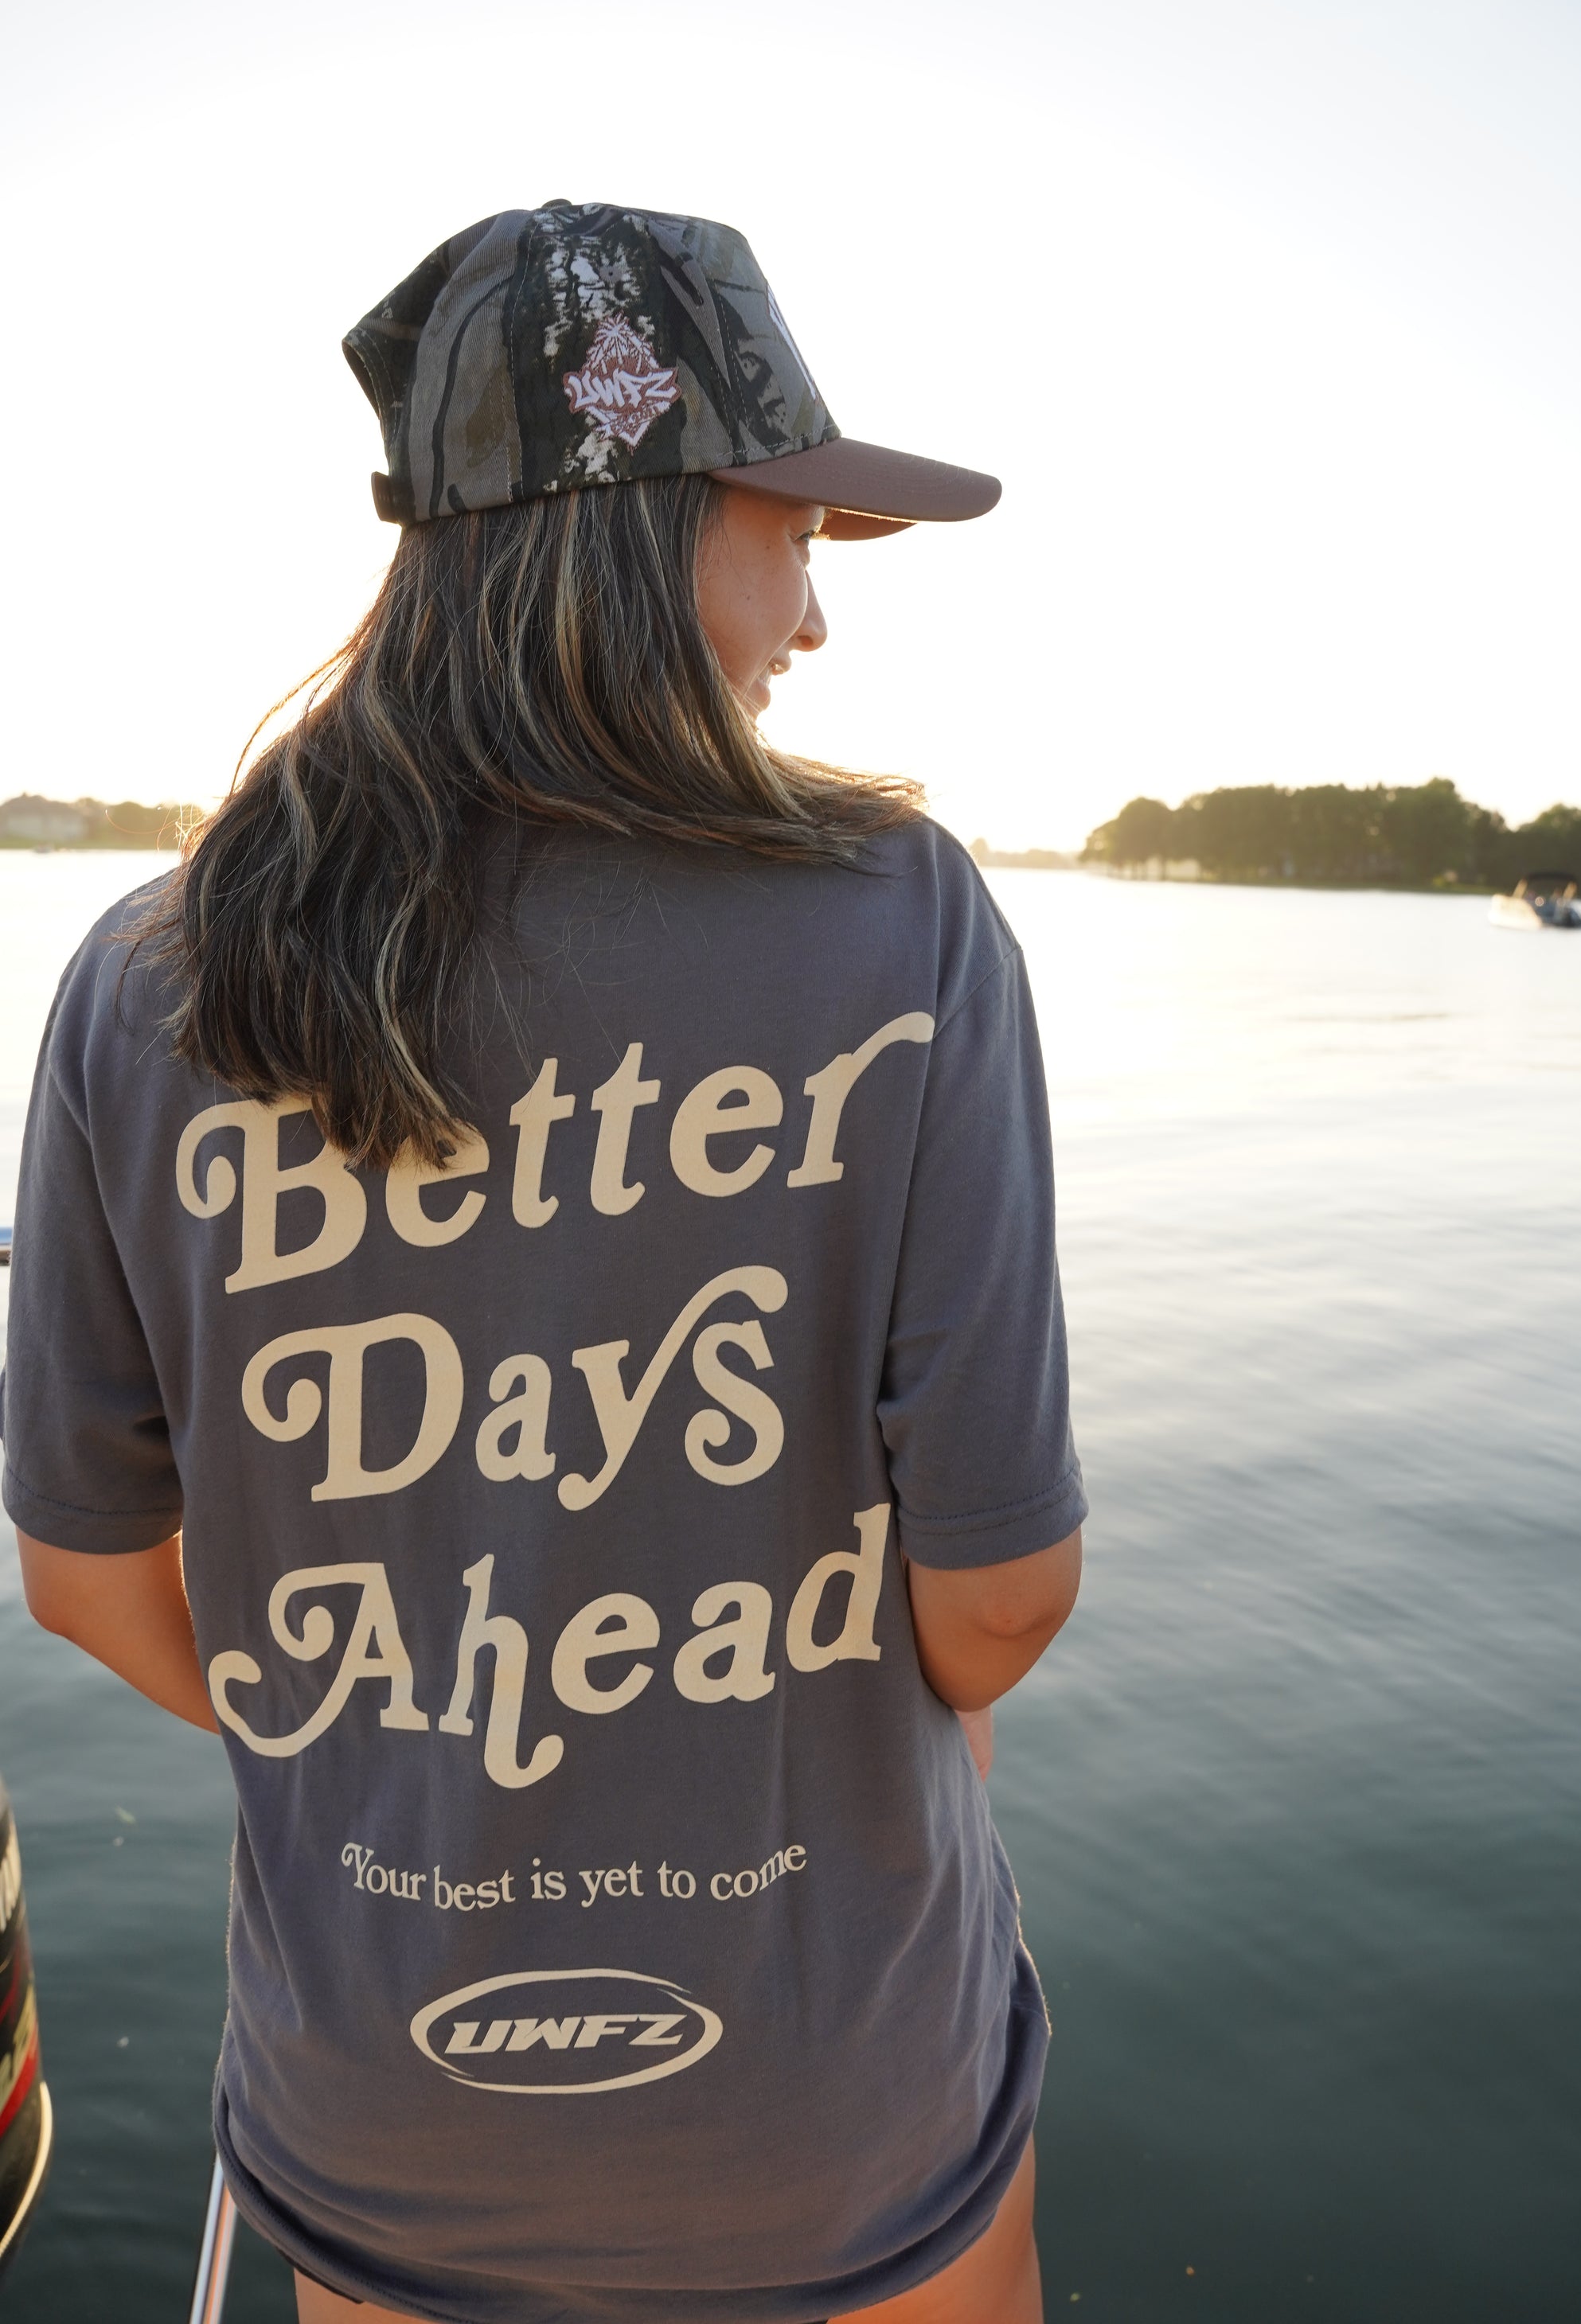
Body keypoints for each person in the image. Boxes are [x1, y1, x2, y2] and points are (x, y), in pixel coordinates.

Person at [2, 199, 1083, 2324]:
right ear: (656, 527)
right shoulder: (905, 922)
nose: (814, 619)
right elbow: (999, 1600)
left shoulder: (141, 979)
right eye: (796, 532)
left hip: (380, 2114)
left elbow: (89, 1578)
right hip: (831, 2113)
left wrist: (398, 1710)